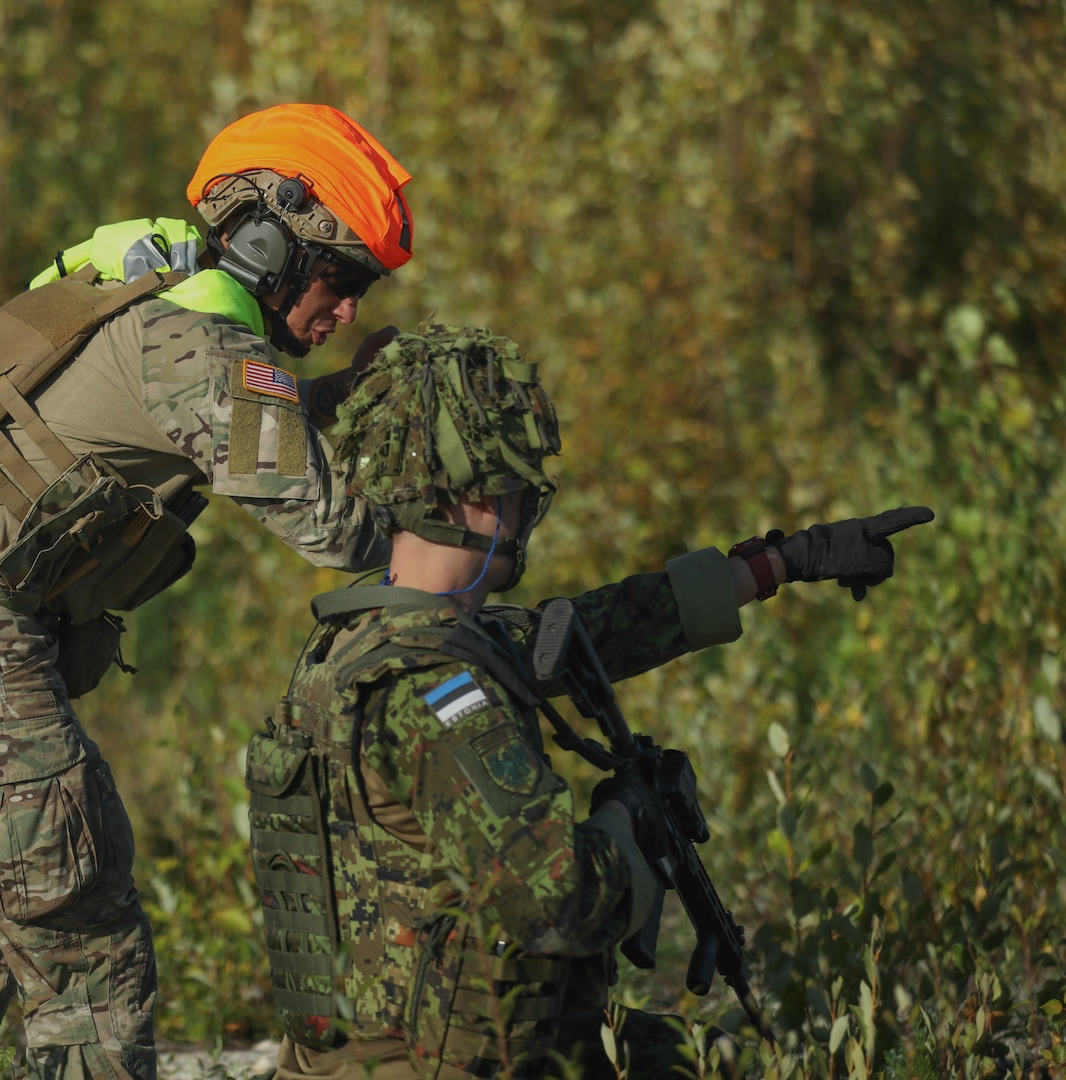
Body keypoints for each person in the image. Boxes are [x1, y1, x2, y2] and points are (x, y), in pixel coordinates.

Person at [0, 102, 414, 1080]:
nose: (347, 311)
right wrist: (454, 538)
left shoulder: (131, 294)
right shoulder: (204, 348)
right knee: (88, 961)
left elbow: (238, 425)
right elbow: (330, 527)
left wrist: (342, 398)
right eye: (340, 279)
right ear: (267, 243)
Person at [246, 326, 933, 1079]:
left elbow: (581, 634)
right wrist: (626, 826)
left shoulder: (361, 642)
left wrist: (781, 562)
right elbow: (558, 903)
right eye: (513, 485)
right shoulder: (434, 694)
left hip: (371, 1053)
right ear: (476, 495)